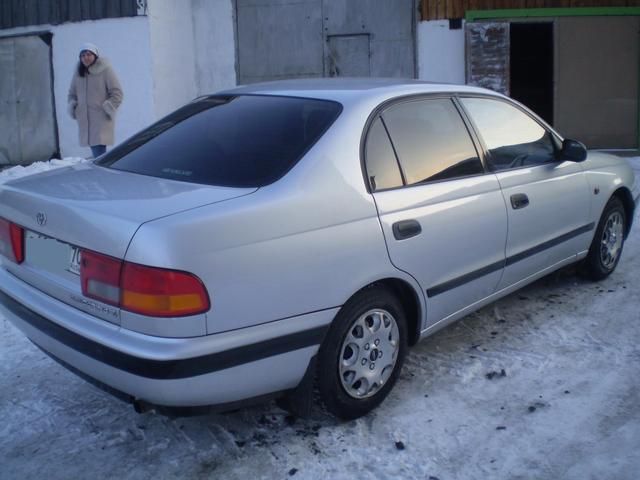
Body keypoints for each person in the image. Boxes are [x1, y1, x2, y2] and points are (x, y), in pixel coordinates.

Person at [67, 43, 123, 158]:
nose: (85, 58)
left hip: (100, 118)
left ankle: (102, 174)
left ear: (95, 56)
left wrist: (108, 107)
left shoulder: (105, 70)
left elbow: (117, 93)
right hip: (85, 119)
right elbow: (72, 94)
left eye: (89, 54)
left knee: (98, 150)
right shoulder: (78, 73)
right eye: (82, 55)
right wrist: (74, 107)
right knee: (96, 152)